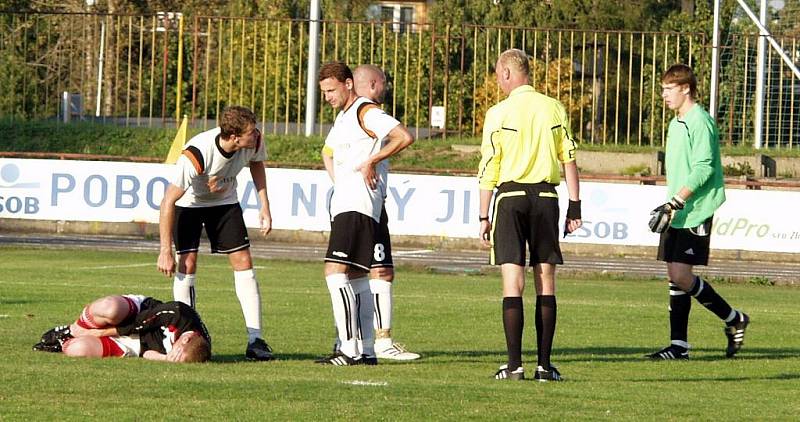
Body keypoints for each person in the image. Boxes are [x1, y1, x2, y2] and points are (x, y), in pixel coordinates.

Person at [477, 48, 582, 382]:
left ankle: (513, 366)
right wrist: (575, 205)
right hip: (546, 197)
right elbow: (568, 158)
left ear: (508, 73)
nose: (497, 81)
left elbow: (489, 165)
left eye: (497, 74)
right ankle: (544, 366)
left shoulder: (498, 113)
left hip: (510, 197)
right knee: (545, 281)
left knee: (513, 282)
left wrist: (483, 215)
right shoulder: (553, 107)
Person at [647, 64, 749, 360]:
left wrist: (678, 200)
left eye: (669, 89)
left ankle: (734, 319)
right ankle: (679, 346)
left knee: (681, 275)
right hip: (677, 209)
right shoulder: (675, 122)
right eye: (663, 89)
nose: (664, 95)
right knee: (674, 273)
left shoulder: (699, 121)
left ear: (685, 89)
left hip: (694, 209)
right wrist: (672, 202)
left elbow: (704, 167)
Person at [156, 105, 275, 361]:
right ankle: (188, 332)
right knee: (187, 263)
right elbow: (168, 202)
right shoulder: (196, 153)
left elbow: (257, 165)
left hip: (225, 204)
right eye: (251, 132)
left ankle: (256, 340)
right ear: (234, 137)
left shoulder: (254, 141)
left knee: (244, 261)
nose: (256, 135)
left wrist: (264, 205)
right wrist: (165, 251)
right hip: (189, 205)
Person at [316, 61, 414, 365]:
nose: (328, 97)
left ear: (348, 84)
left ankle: (348, 347)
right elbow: (327, 152)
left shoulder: (364, 110)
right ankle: (367, 349)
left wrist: (373, 160)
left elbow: (403, 136)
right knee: (358, 275)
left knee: (334, 272)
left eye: (331, 90)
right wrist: (341, 182)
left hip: (358, 204)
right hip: (348, 201)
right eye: (323, 92)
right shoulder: (344, 117)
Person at [340, 63, 419, 361]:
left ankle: (356, 340)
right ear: (373, 84)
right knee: (378, 270)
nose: (386, 88)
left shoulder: (346, 116)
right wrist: (373, 160)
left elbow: (328, 152)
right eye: (383, 82)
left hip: (356, 202)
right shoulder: (368, 112)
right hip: (367, 205)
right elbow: (404, 137)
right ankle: (379, 341)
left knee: (359, 270)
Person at [33, 294, 211, 363]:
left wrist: (166, 359)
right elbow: (137, 324)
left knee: (77, 349)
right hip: (136, 315)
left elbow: (146, 353)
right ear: (186, 339)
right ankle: (72, 329)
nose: (174, 355)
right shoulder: (178, 313)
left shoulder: (195, 351)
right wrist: (97, 332)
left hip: (137, 343)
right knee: (110, 309)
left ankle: (63, 341)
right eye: (176, 352)